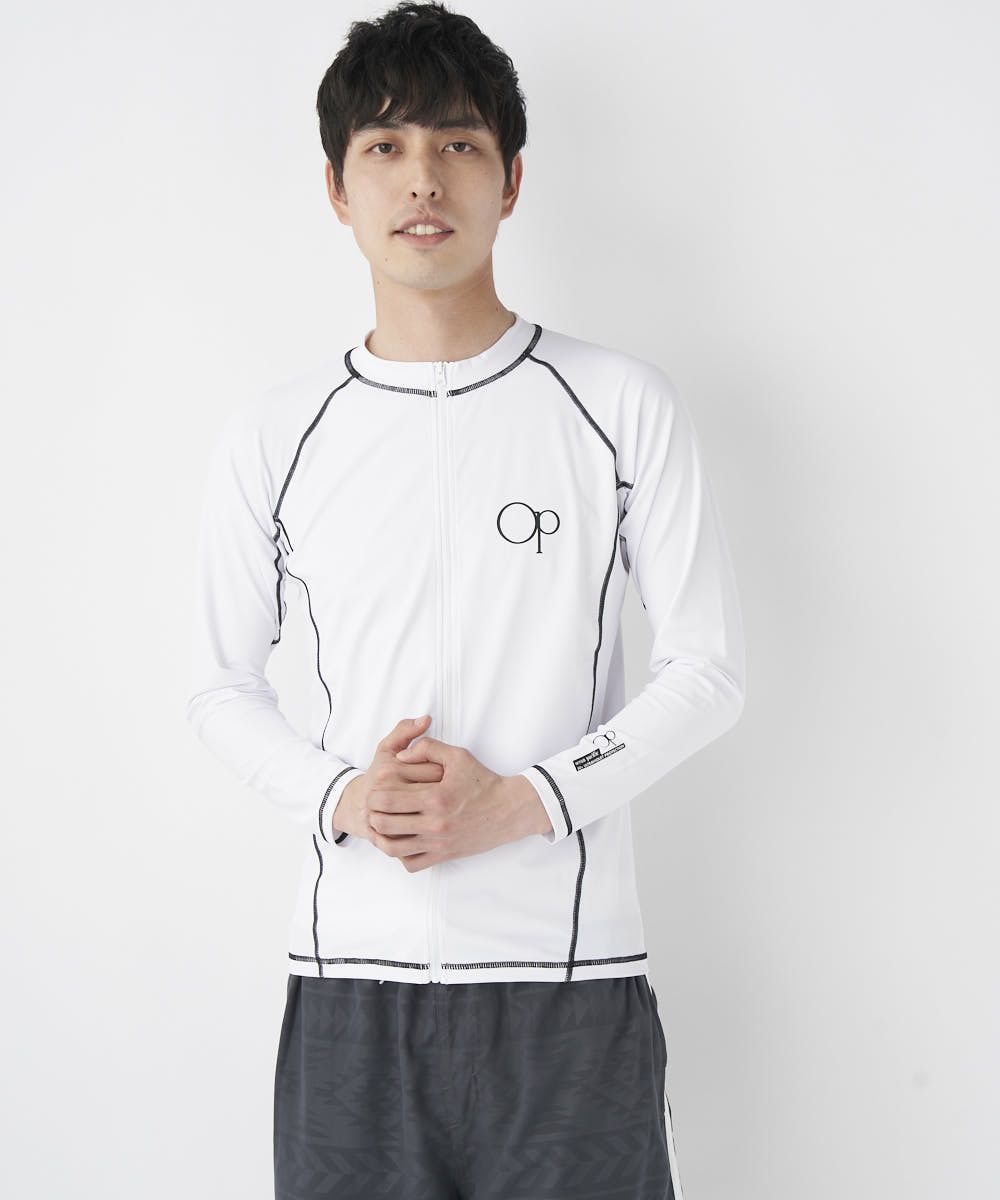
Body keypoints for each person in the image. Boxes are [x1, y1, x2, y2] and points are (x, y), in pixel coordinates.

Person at [185, 2, 746, 1196]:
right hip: (352, 989)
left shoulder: (617, 404)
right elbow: (219, 687)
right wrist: (342, 796)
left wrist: (528, 800)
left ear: (512, 179)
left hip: (570, 987)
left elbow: (706, 672)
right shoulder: (276, 434)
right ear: (337, 190)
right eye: (384, 147)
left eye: (457, 143)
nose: (422, 179)